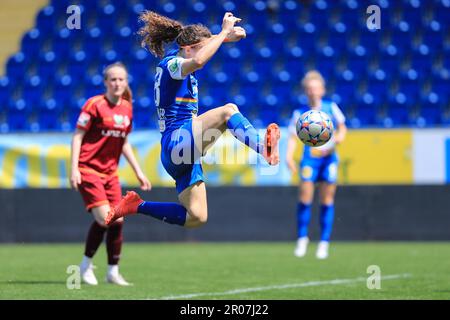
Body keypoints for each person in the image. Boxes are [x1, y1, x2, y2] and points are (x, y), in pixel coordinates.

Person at [104, 11, 280, 229]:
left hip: (182, 154)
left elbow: (198, 52)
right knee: (228, 111)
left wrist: (222, 38)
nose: (207, 53)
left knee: (196, 216)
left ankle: (136, 205)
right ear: (187, 47)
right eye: (201, 46)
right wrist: (223, 32)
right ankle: (263, 147)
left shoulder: (182, 63)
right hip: (176, 141)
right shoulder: (171, 64)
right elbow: (198, 59)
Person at [70, 62, 151, 285]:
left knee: (118, 221)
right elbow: (77, 136)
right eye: (112, 79)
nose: (117, 83)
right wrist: (74, 168)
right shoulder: (94, 105)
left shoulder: (127, 108)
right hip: (89, 170)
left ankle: (112, 272)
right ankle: (85, 266)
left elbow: (123, 142)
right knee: (107, 219)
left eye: (121, 79)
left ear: (126, 82)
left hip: (110, 174)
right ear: (105, 82)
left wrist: (139, 171)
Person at [286, 70, 347, 259]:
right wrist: (289, 157)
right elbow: (292, 137)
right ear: (306, 91)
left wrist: (335, 141)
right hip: (309, 159)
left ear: (322, 90)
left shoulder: (331, 107)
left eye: (316, 88)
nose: (313, 92)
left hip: (329, 159)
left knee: (327, 200)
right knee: (305, 198)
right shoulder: (300, 113)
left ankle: (324, 243)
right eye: (309, 89)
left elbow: (343, 129)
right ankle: (302, 239)